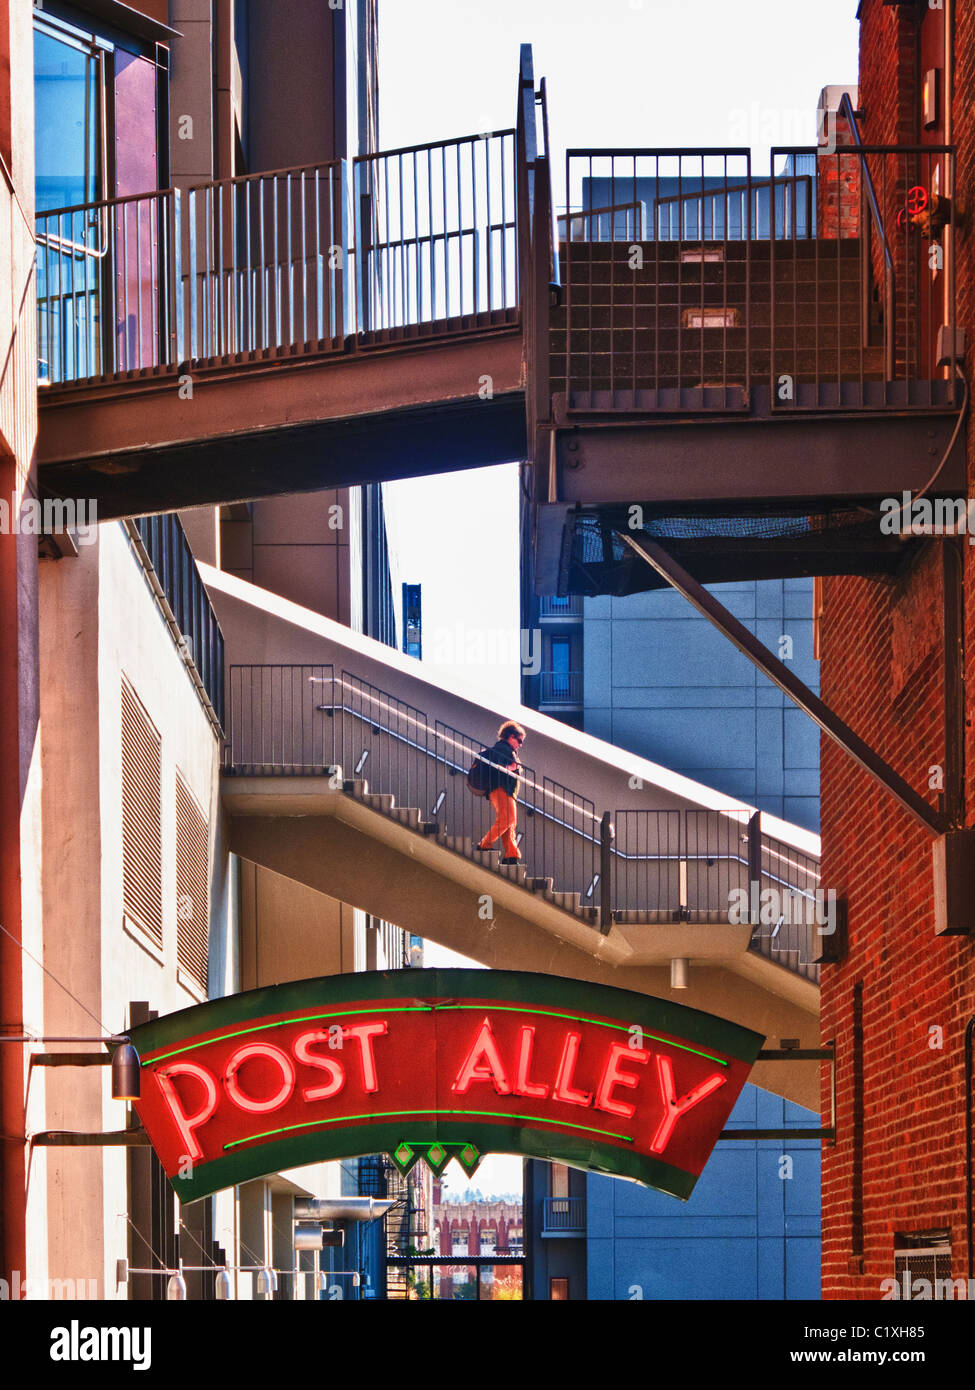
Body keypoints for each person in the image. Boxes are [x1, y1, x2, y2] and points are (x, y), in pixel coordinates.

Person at [477, 721, 526, 864]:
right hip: (502, 789)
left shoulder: (505, 749)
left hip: (505, 790)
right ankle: (484, 844)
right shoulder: (503, 748)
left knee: (509, 822)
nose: (520, 744)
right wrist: (511, 767)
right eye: (519, 740)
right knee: (508, 819)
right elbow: (498, 767)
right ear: (511, 736)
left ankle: (511, 855)